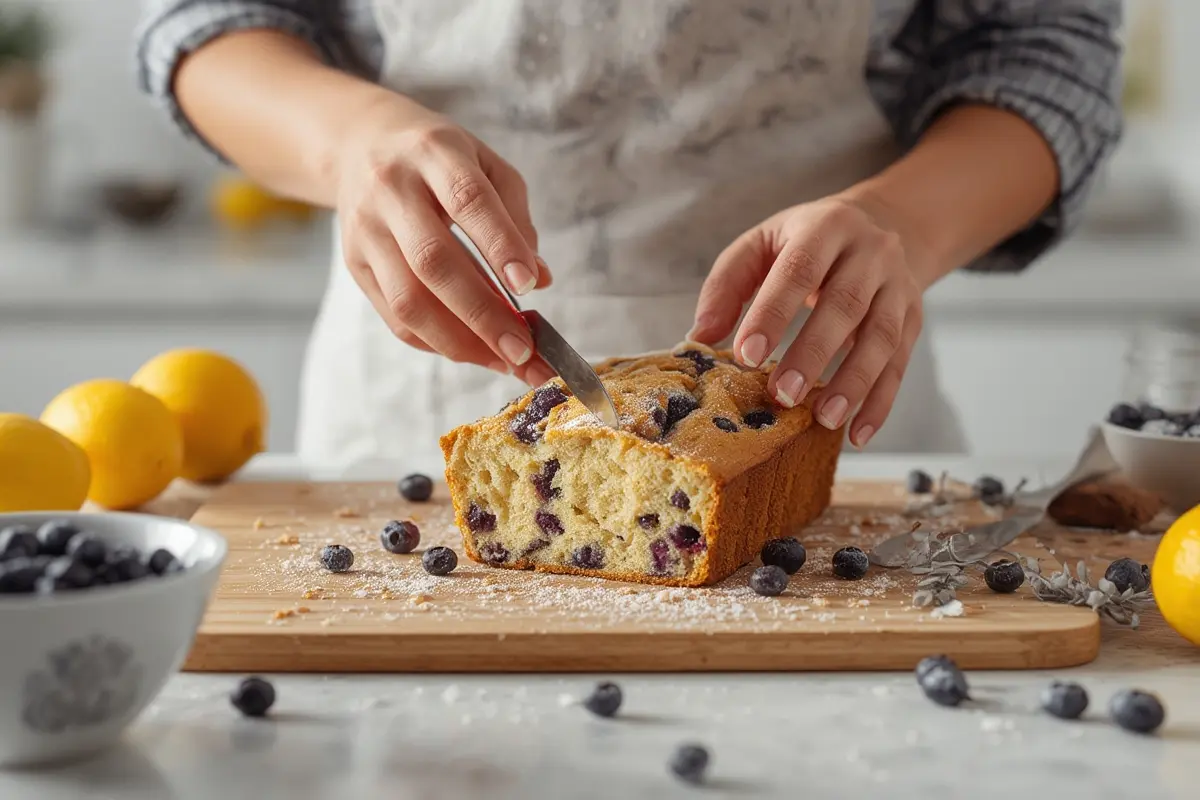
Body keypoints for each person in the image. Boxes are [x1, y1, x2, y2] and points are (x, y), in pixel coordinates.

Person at [136, 1, 1122, 474]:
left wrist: (902, 225)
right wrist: (350, 140)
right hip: (407, 416)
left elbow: (1044, 47)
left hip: (822, 391)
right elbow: (210, 20)